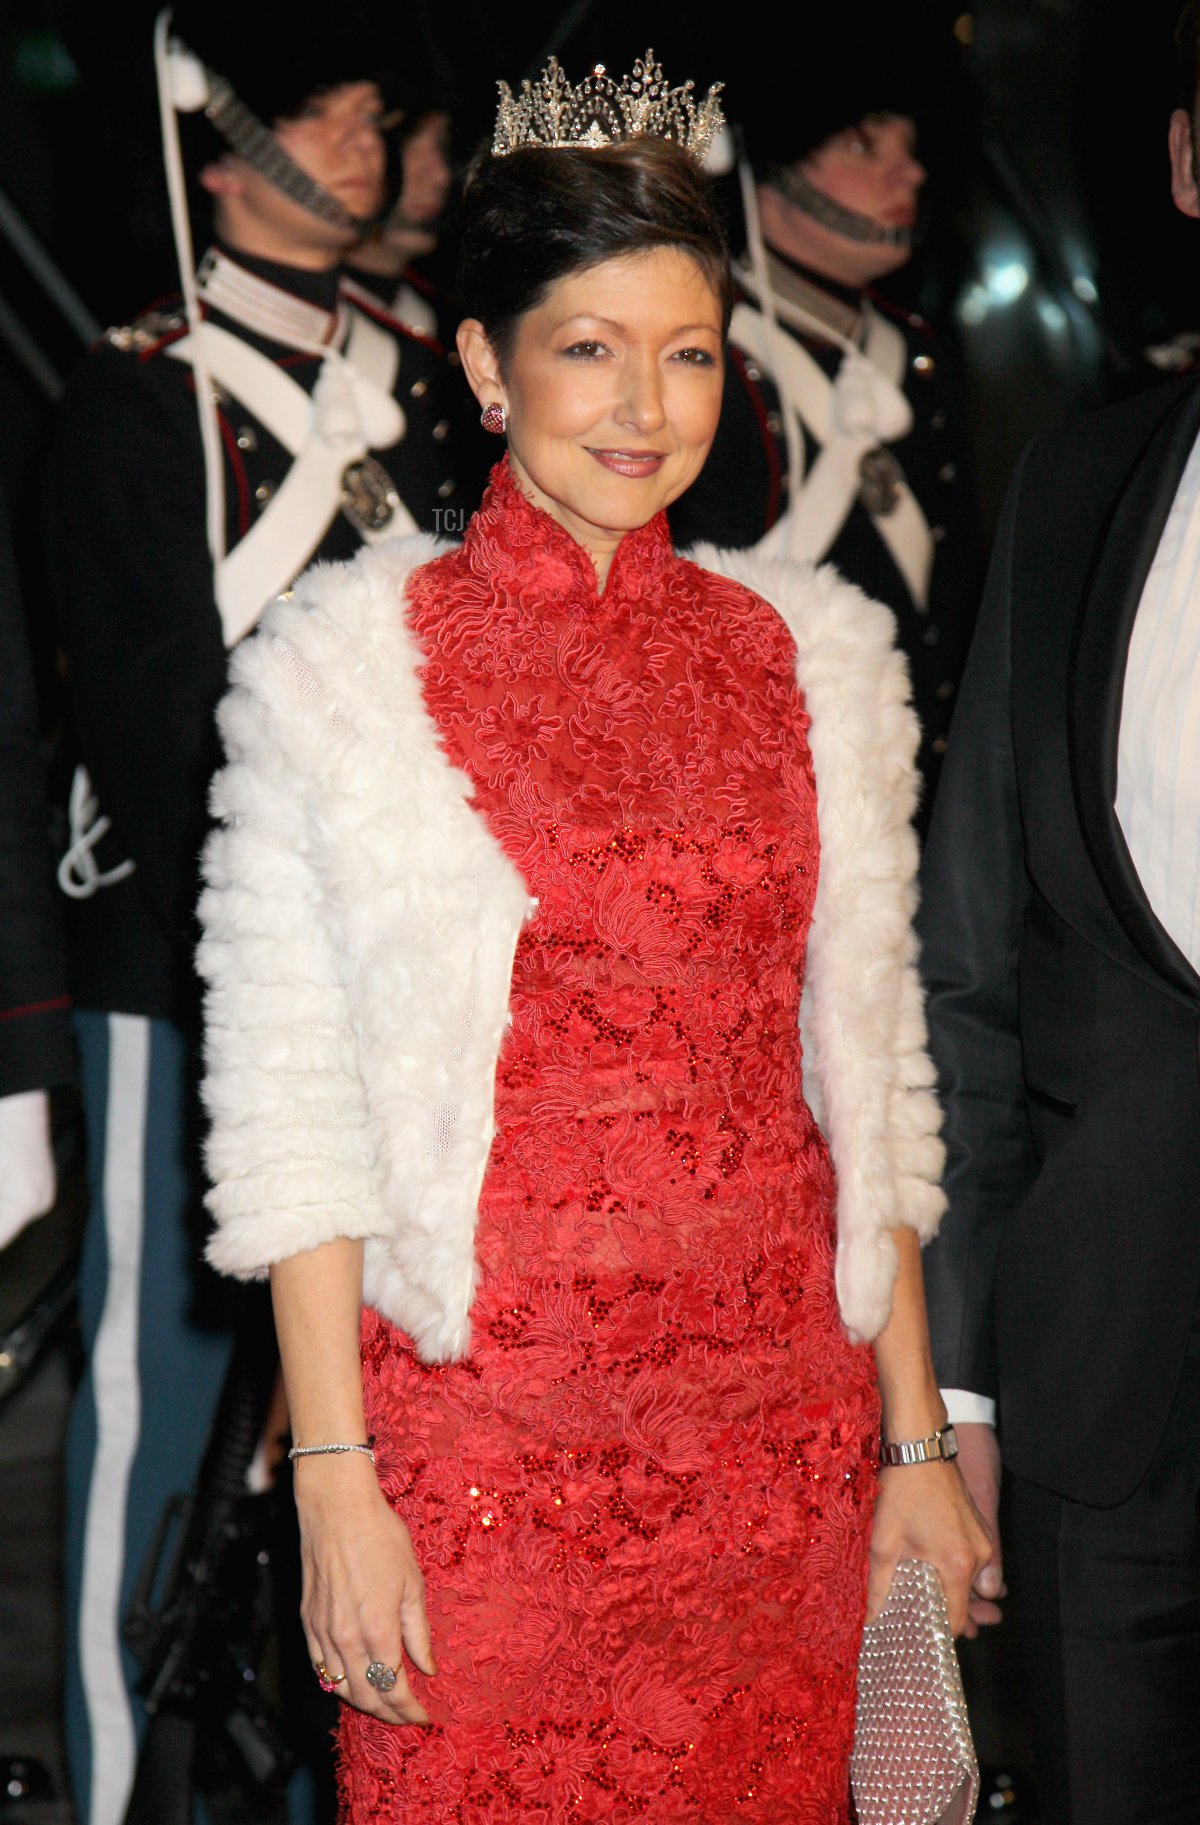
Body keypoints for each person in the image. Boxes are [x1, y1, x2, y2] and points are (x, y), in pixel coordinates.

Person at [198, 55, 990, 1823]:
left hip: (781, 1452)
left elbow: (868, 1091)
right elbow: (292, 1115)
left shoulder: (821, 659)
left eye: (689, 353)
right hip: (481, 1456)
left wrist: (917, 1441)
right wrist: (333, 1476)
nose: (644, 405)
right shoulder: (341, 670)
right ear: (486, 367)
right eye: (588, 347)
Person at [42, 9, 461, 1822]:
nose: (364, 141)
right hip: (194, 971)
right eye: (321, 112)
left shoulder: (422, 370)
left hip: (418, 978)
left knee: (379, 1417)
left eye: (373, 110)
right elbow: (152, 732)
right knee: (162, 1408)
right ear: (219, 152)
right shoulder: (142, 393)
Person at [919, 6, 1200, 1816]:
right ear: (1186, 164)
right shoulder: (1077, 490)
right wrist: (954, 1398)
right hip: (1107, 1410)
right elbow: (970, 966)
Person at [669, 14, 982, 832]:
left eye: (909, 145)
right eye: (863, 145)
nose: (909, 171)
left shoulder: (916, 353)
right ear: (768, 163)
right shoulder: (694, 347)